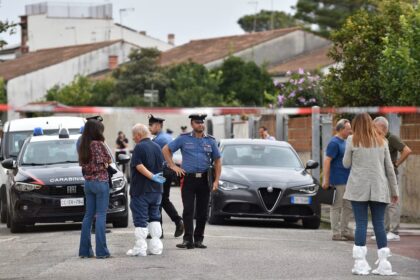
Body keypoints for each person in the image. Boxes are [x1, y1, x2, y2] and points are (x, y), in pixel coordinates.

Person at [343, 113, 398, 276]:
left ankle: (360, 264)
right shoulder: (383, 141)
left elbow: (346, 164)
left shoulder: (352, 140)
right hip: (379, 187)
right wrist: (395, 191)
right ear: (371, 124)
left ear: (356, 125)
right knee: (379, 224)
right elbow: (390, 169)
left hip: (358, 188)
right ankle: (384, 264)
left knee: (361, 223)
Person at [162, 114, 221, 249]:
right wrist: (172, 165)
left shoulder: (210, 141)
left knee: (202, 211)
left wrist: (216, 180)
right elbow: (166, 150)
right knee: (188, 209)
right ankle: (187, 240)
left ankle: (199, 239)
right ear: (192, 124)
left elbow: (217, 161)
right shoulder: (184, 139)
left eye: (202, 122)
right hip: (188, 179)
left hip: (205, 179)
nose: (200, 124)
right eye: (197, 122)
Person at [126, 123, 166, 257]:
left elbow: (138, 166)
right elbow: (162, 166)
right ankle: (156, 248)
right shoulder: (157, 147)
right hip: (156, 191)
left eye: (133, 137)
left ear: (138, 135)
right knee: (155, 217)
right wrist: (155, 178)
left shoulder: (139, 147)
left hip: (141, 190)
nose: (133, 139)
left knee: (140, 219)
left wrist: (152, 177)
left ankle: (140, 248)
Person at [373, 116, 412, 242]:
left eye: (375, 127)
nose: (373, 129)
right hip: (380, 175)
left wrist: (397, 163)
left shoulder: (391, 138)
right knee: (382, 203)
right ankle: (383, 231)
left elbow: (407, 150)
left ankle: (394, 231)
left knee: (392, 203)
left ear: (383, 127)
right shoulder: (378, 139)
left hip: (390, 175)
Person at [78, 119, 111, 259]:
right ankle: (102, 252)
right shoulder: (97, 144)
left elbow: (85, 165)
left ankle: (85, 251)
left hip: (88, 183)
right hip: (100, 182)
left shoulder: (82, 144)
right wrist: (105, 164)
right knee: (101, 216)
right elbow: (106, 160)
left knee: (88, 216)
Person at [148, 114, 184, 238]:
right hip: (167, 171)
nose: (149, 128)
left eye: (151, 125)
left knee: (158, 200)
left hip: (161, 172)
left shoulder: (158, 140)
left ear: (158, 125)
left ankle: (163, 229)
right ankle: (172, 224)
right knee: (163, 199)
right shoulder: (167, 137)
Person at [322, 119, 354, 241]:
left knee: (348, 206)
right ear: (341, 129)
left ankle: (344, 231)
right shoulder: (334, 143)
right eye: (348, 129)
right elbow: (327, 160)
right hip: (338, 179)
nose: (350, 131)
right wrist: (326, 180)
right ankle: (336, 233)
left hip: (348, 180)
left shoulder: (345, 142)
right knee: (336, 206)